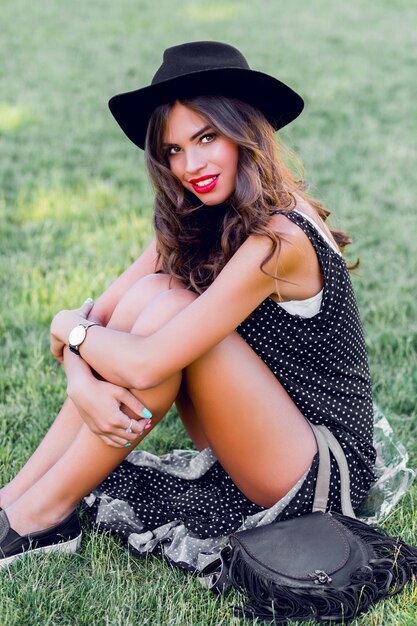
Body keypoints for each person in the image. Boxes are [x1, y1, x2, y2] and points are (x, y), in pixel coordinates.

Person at [0, 41, 377, 572]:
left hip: (316, 465)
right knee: (152, 298)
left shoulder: (280, 239)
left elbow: (136, 358)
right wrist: (80, 379)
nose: (190, 165)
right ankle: (14, 497)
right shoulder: (200, 210)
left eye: (206, 138)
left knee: (163, 314)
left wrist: (70, 329)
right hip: (252, 426)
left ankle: (40, 516)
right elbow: (100, 317)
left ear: (245, 132)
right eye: (174, 150)